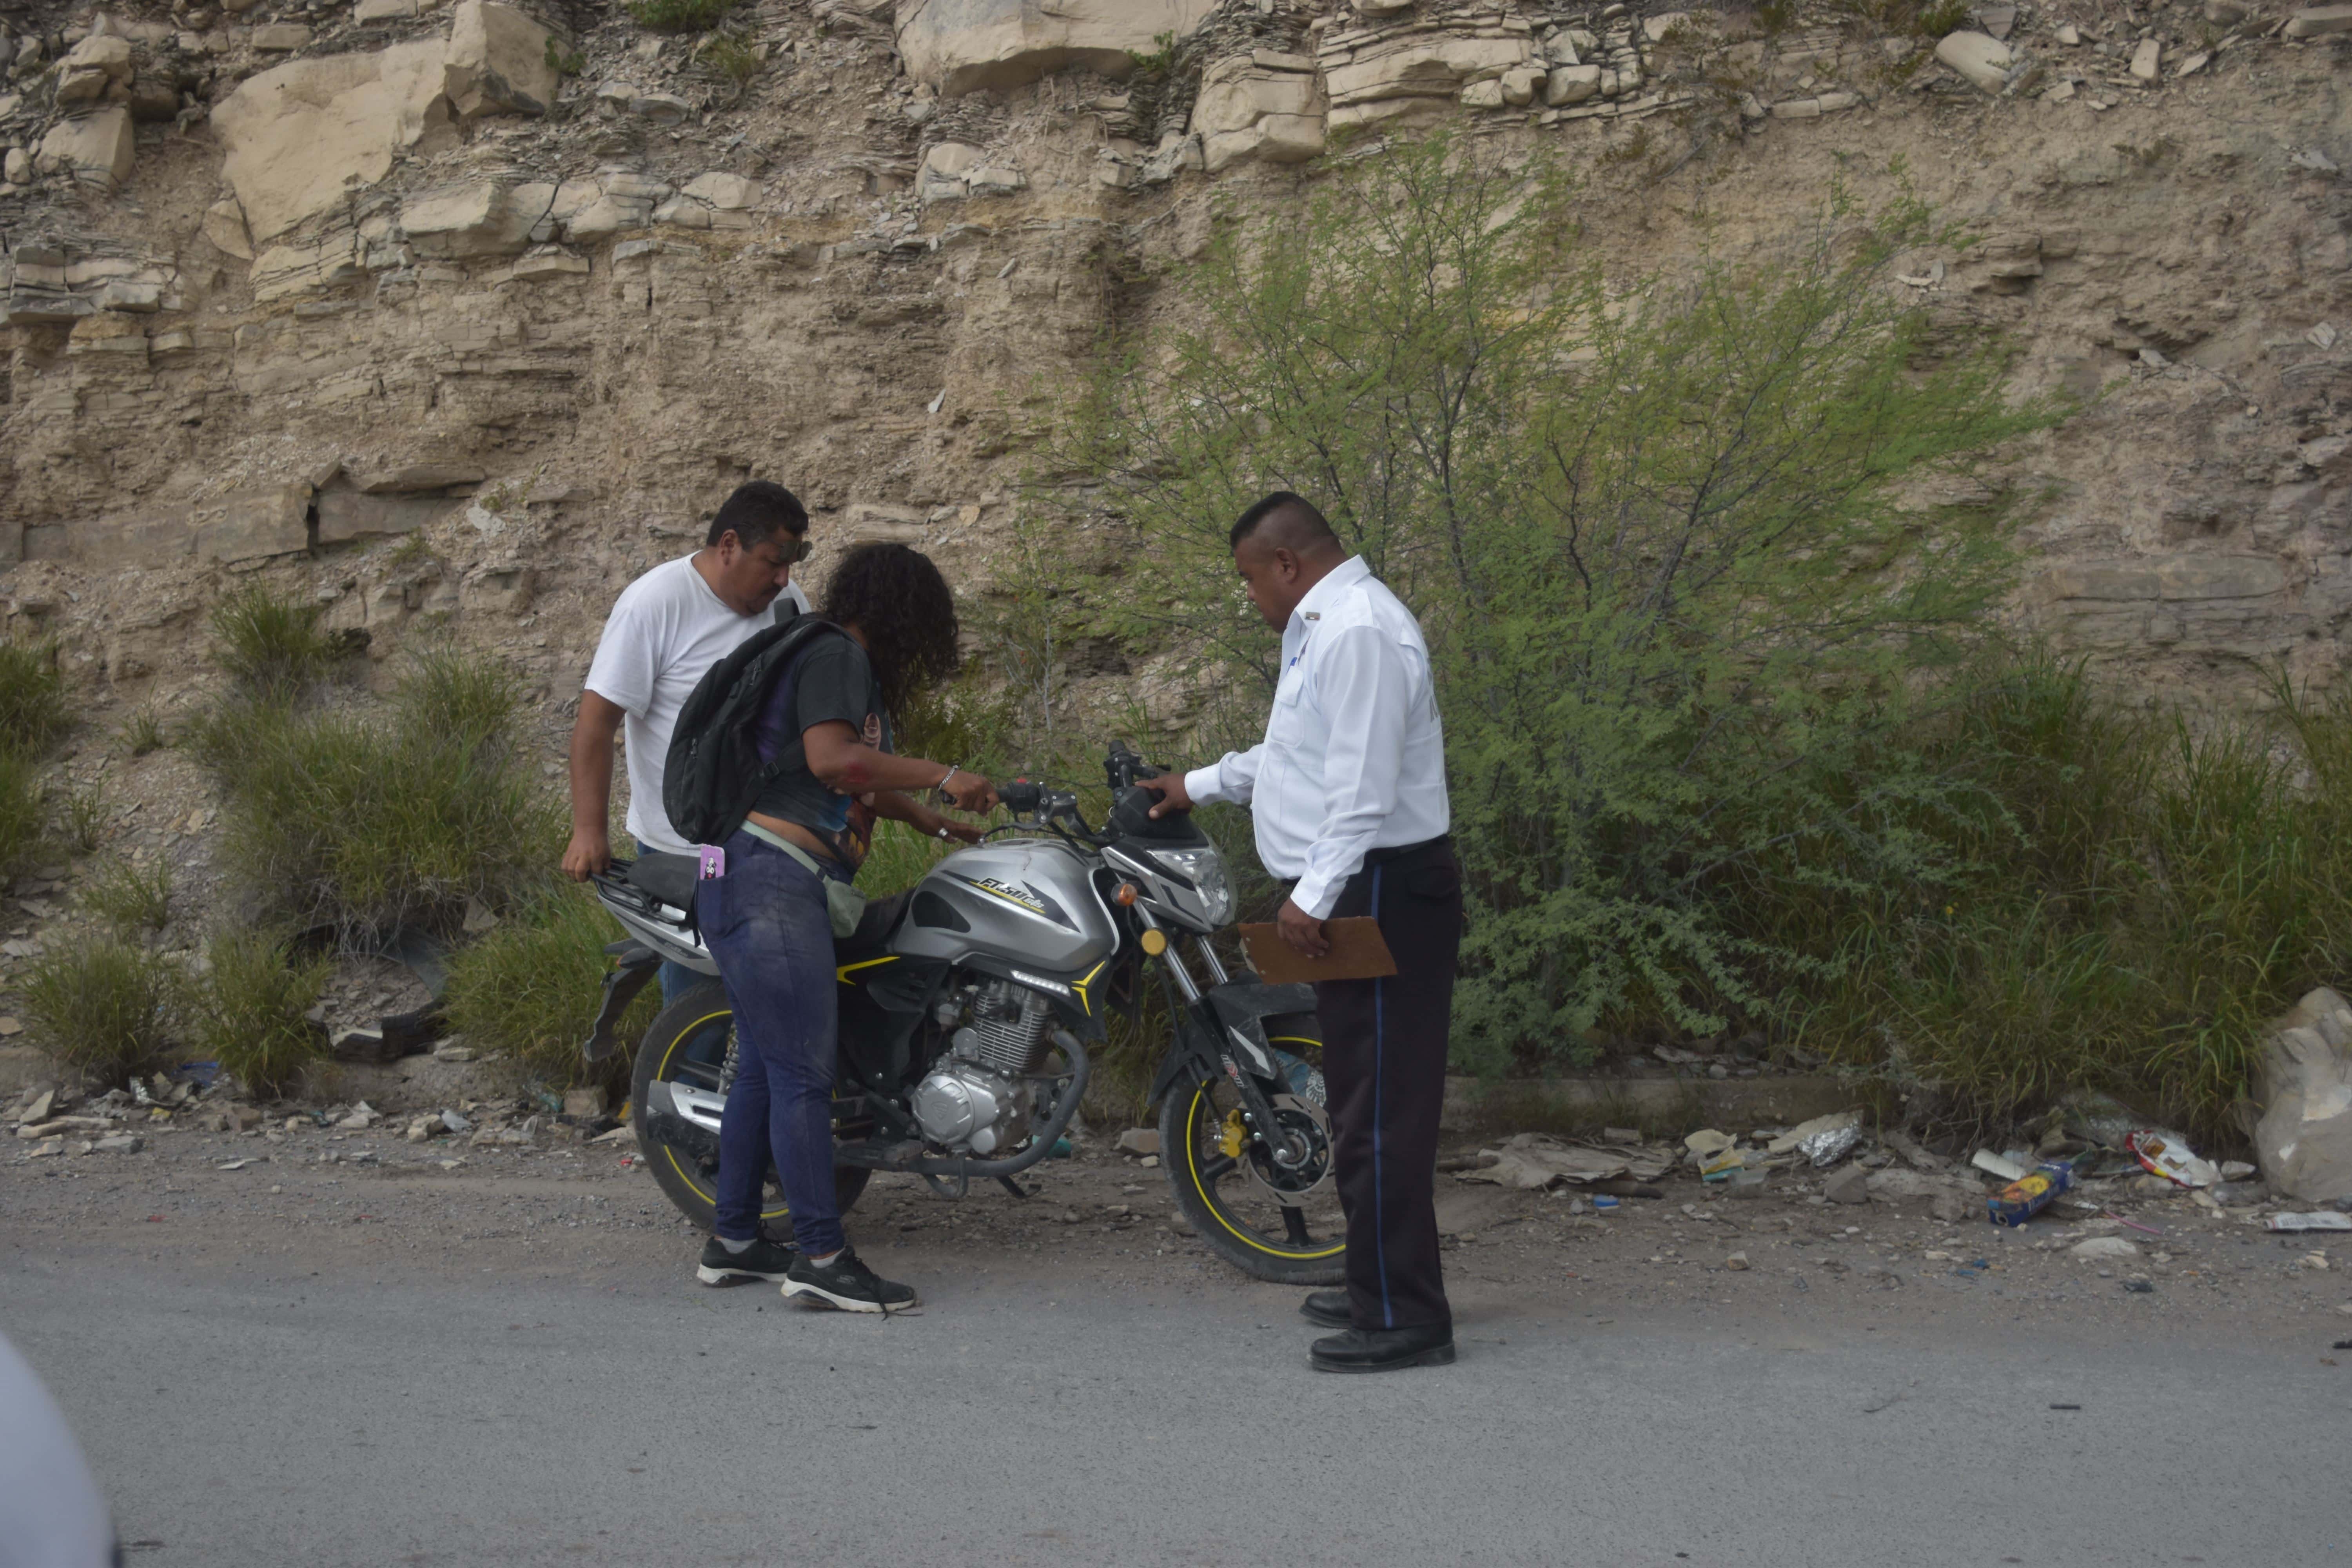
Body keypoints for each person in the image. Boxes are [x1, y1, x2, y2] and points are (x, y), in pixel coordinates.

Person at [1138, 492, 1461, 1374]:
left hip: (1380, 885)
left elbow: (1361, 785)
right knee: (1359, 1093)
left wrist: (1315, 894)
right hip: (1362, 880)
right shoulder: (1330, 625)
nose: (1250, 595)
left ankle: (1405, 1315)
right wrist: (1198, 782)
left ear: (1286, 563)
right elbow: (1298, 755)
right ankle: (1376, 1282)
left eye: (1249, 577)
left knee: (1381, 1107)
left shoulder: (1357, 629)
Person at [691, 541, 998, 1311]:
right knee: (802, 1074)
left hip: (750, 880)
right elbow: (836, 762)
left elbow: (853, 774)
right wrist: (943, 774)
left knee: (765, 1068)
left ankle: (734, 1240)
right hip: (771, 883)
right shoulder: (836, 655)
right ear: (904, 614)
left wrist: (934, 820)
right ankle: (821, 1256)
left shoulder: (827, 657)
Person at [563, 481, 814, 1005]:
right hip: (686, 851)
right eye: (772, 561)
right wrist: (588, 831)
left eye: (794, 560)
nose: (784, 577)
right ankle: (680, 1081)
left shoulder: (788, 604)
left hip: (772, 843)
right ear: (728, 547)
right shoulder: (654, 605)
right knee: (698, 1001)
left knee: (773, 996)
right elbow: (595, 724)